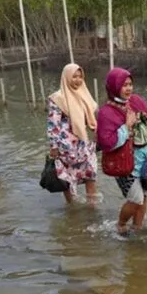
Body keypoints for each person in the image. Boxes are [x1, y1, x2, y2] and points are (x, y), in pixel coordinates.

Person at [97, 67, 147, 235]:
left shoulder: (136, 101)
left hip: (144, 159)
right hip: (124, 163)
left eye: (130, 84)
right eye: (124, 85)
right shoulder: (106, 113)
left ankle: (138, 228)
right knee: (136, 198)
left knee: (144, 196)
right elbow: (107, 144)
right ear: (114, 86)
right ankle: (120, 225)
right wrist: (126, 127)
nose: (128, 89)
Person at [46, 63, 99, 205]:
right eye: (74, 77)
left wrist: (97, 132)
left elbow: (91, 118)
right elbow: (53, 124)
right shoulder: (58, 98)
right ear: (66, 77)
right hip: (67, 146)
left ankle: (92, 208)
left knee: (90, 174)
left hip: (84, 143)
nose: (78, 80)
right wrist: (54, 146)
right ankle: (72, 208)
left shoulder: (84, 93)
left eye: (80, 77)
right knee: (67, 178)